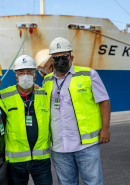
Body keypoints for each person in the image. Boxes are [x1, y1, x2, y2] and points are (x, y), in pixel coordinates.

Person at [43, 37, 111, 185]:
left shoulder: (88, 74)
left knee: (92, 182)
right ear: (51, 61)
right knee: (66, 183)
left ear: (71, 58)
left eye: (64, 57)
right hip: (59, 146)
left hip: (86, 144)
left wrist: (105, 129)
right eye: (56, 58)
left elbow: (104, 101)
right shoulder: (46, 81)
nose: (60, 61)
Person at [0, 55, 52, 185]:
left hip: (41, 159)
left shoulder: (45, 94)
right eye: (21, 73)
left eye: (29, 72)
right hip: (16, 160)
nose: (25, 75)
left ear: (35, 76)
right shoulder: (4, 96)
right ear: (16, 76)